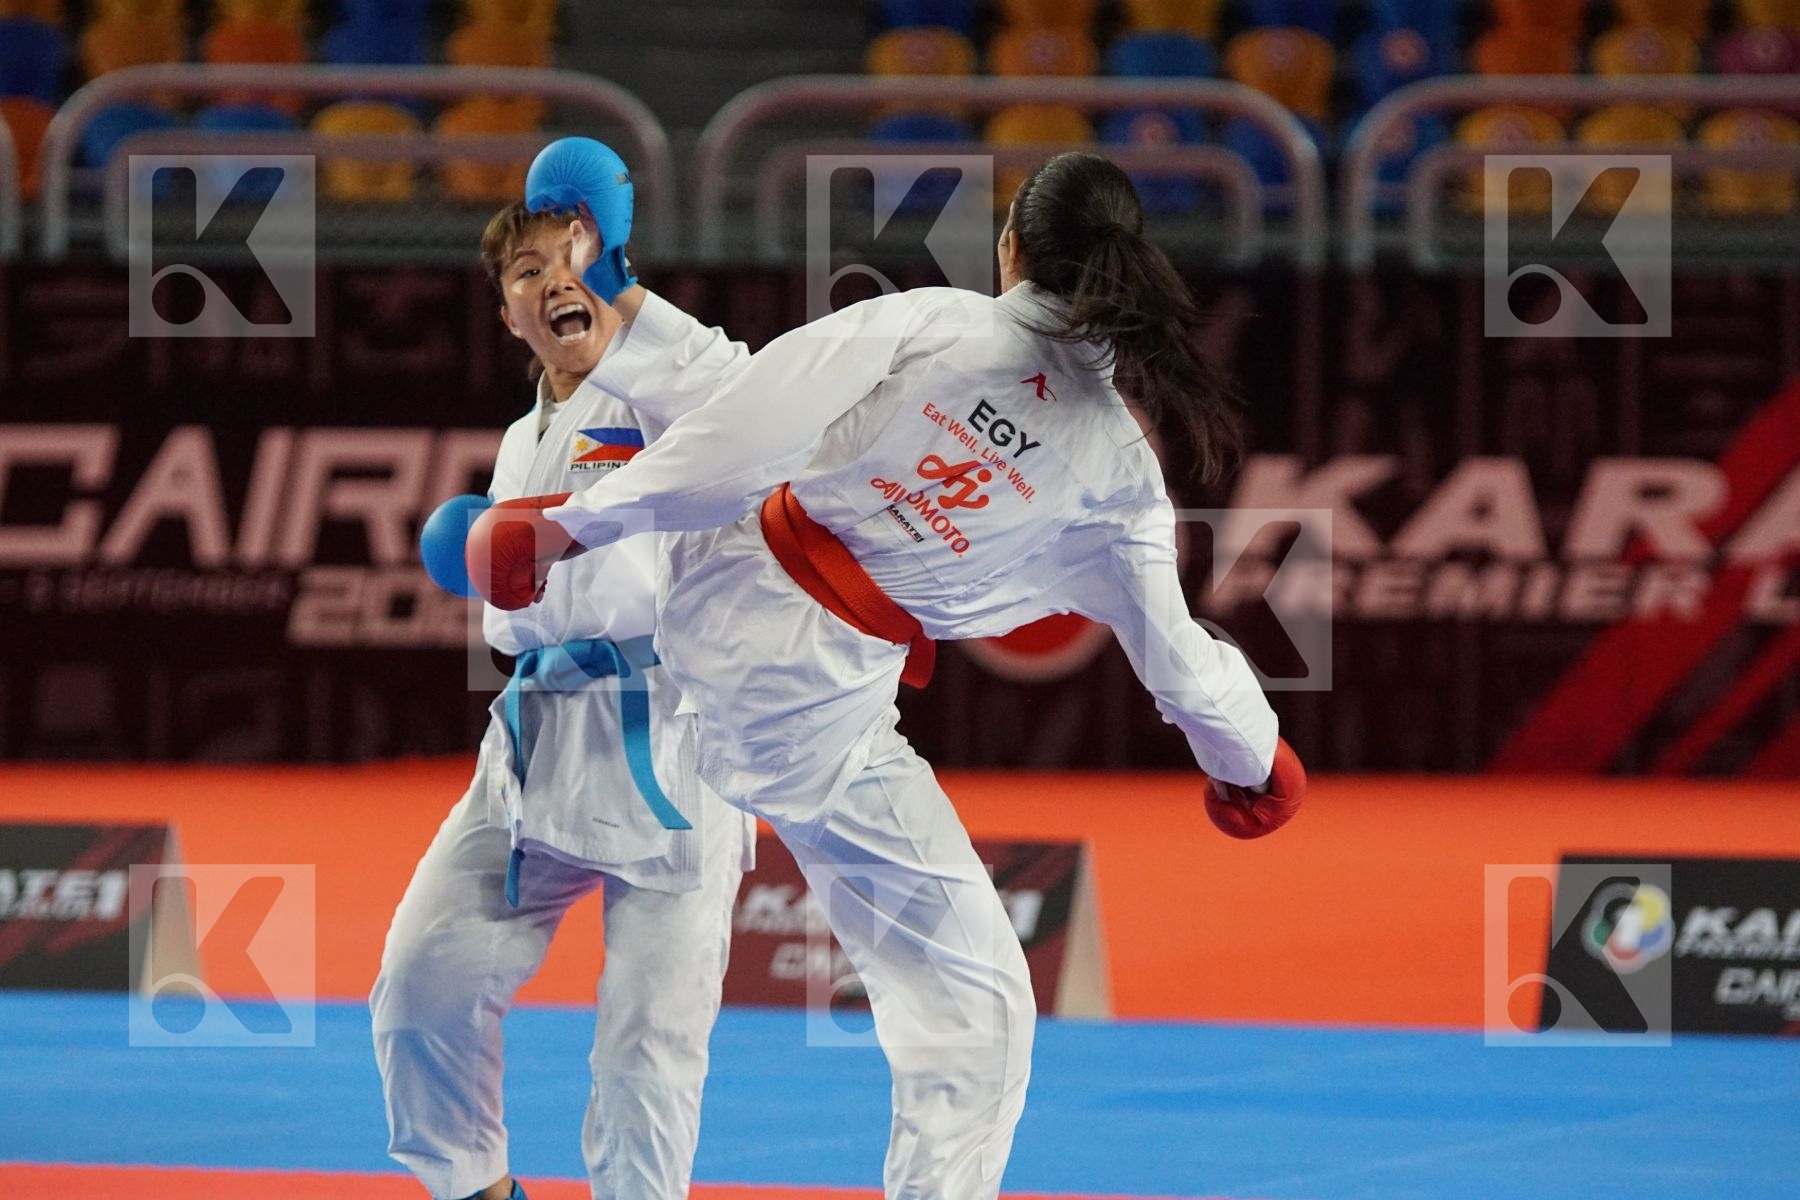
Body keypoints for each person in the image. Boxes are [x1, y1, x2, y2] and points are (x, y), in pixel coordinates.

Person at [470, 149, 1308, 1200]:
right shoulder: (1119, 474)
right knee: (980, 1006)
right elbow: (1178, 659)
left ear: (1010, 251)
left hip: (719, 586)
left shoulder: (937, 322)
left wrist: (570, 526)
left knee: (738, 390)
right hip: (810, 708)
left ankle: (617, 288)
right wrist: (1255, 757)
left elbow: (747, 427)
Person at [370, 197, 759, 1200]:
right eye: (524, 273)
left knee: (647, 1045)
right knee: (421, 982)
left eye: (572, 262)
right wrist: (492, 584)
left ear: (612, 277)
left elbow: (730, 389)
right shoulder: (517, 438)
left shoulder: (661, 400)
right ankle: (474, 1184)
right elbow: (520, 621)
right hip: (538, 745)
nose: (550, 282)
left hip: (671, 742)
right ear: (506, 314)